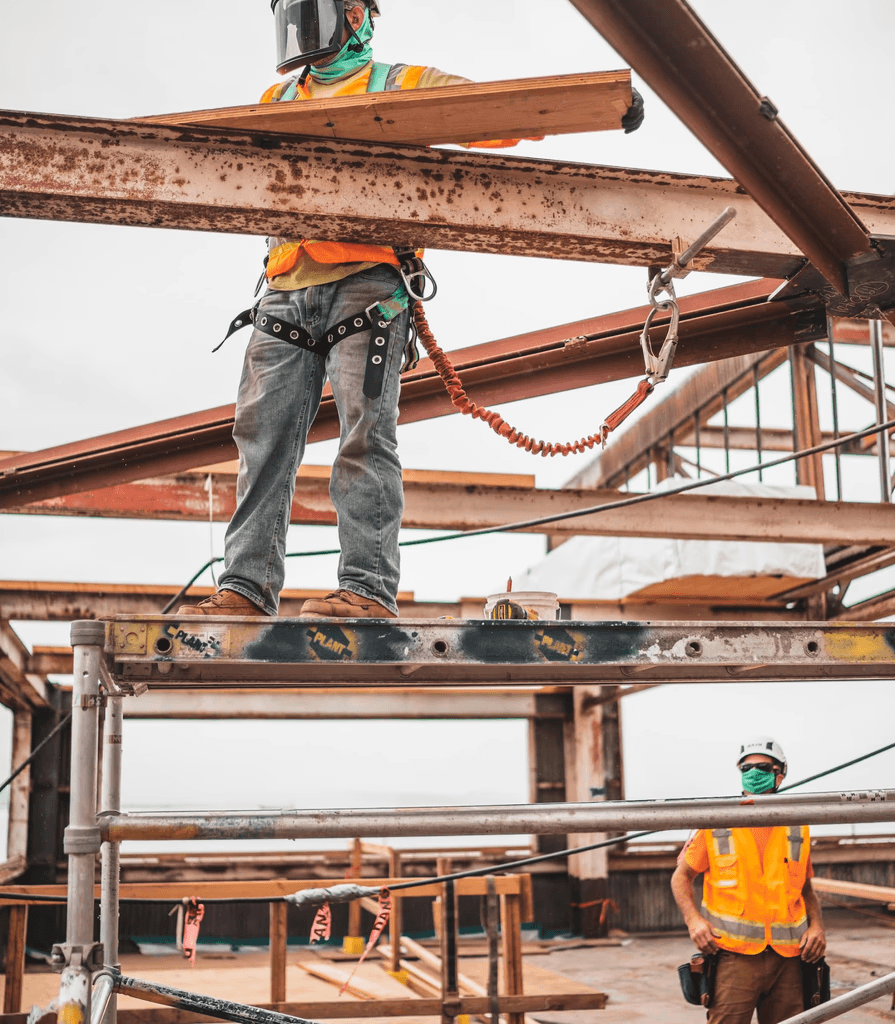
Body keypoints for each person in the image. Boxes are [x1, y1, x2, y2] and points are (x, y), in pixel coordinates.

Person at [180, 0, 645, 620]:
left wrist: (600, 104)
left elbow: (497, 110)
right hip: (286, 287)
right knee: (262, 438)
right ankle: (244, 588)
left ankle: (367, 590)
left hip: (369, 288)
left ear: (355, 14)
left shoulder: (402, 87)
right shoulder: (278, 99)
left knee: (365, 435)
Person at [670, 737, 826, 1024]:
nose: (753, 772)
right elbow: (681, 877)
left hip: (789, 959)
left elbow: (806, 889)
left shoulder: (797, 826)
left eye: (763, 767)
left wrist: (817, 926)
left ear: (780, 774)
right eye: (746, 767)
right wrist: (694, 921)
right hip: (733, 956)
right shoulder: (717, 822)